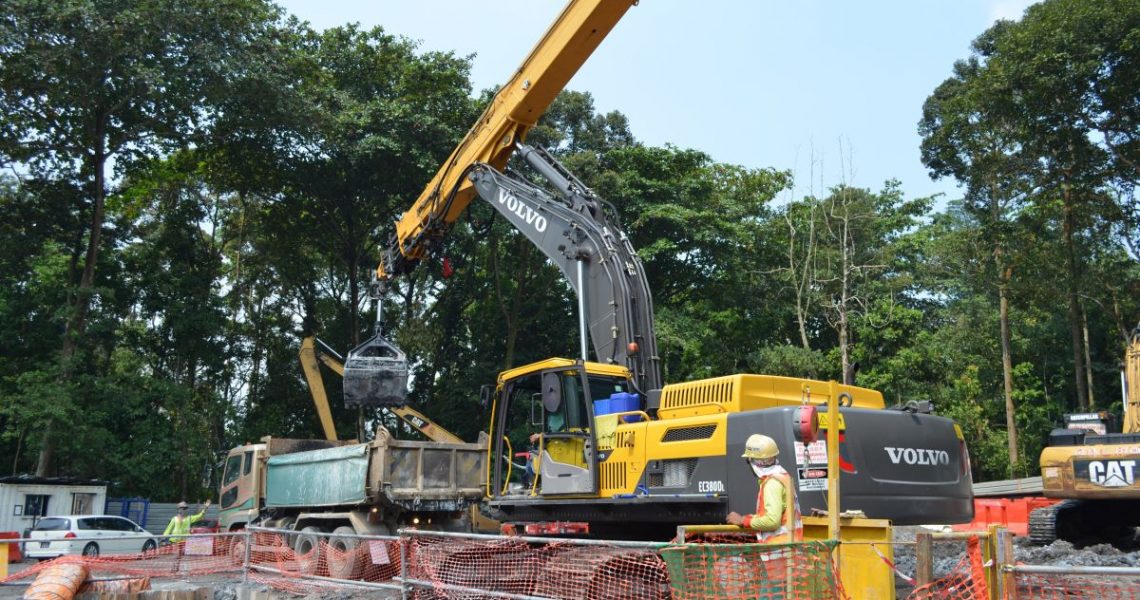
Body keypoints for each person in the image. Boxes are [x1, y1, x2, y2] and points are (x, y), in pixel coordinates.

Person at [726, 434, 802, 596]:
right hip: (787, 552)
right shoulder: (783, 477)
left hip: (778, 554)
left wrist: (743, 520)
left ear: (754, 462)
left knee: (771, 595)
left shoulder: (772, 484)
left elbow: (772, 521)